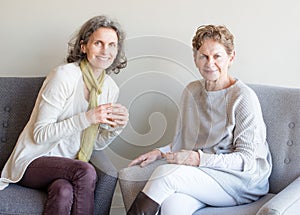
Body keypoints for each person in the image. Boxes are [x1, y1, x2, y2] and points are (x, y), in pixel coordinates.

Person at [126, 24, 272, 215]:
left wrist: (197, 159)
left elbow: (246, 159)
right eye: (203, 56)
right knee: (172, 206)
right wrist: (160, 152)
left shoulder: (243, 97)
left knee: (165, 175)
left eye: (217, 56)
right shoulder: (191, 91)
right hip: (205, 174)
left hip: (240, 181)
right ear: (195, 59)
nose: (210, 63)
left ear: (231, 57)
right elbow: (188, 140)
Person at [0, 15, 129, 215]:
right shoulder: (64, 76)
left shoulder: (110, 88)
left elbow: (93, 144)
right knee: (84, 171)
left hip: (67, 167)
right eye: (98, 43)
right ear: (84, 46)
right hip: (33, 160)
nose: (106, 51)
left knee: (64, 192)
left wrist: (116, 128)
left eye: (112, 45)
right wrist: (88, 117)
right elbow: (40, 134)